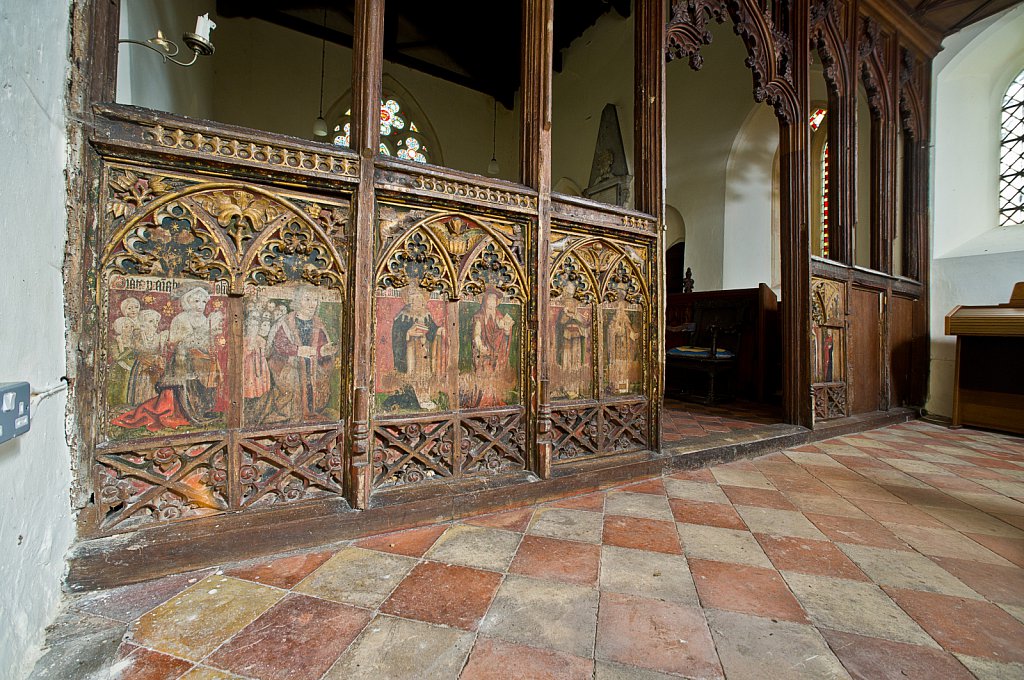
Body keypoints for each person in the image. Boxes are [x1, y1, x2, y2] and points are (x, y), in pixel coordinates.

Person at [112, 284, 225, 431]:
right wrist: (206, 329)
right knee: (183, 389)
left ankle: (198, 412)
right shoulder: (182, 318)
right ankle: (185, 413)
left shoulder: (203, 319)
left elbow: (203, 342)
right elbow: (180, 342)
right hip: (181, 361)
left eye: (203, 302)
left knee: (201, 386)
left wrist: (211, 334)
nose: (200, 305)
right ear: (188, 302)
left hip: (198, 361)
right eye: (196, 301)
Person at [267, 286, 337, 421]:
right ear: (299, 301)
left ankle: (311, 412)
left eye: (315, 300)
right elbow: (278, 346)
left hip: (312, 368)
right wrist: (298, 351)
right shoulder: (286, 322)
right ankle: (292, 415)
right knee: (293, 382)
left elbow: (321, 347)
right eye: (308, 299)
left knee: (317, 382)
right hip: (291, 368)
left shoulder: (318, 323)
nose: (312, 303)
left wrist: (324, 351)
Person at [391, 284, 445, 410]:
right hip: (410, 350)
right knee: (413, 374)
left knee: (424, 374)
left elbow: (432, 328)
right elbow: (397, 334)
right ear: (409, 300)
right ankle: (414, 398)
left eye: (420, 299)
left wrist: (438, 330)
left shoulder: (426, 314)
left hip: (424, 349)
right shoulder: (403, 315)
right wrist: (408, 333)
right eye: (414, 299)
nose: (417, 301)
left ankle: (425, 397)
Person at [468, 286, 515, 407]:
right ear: (485, 300)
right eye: (490, 299)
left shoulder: (499, 316)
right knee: (485, 373)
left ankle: (494, 400)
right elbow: (476, 334)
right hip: (483, 352)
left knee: (495, 374)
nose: (492, 302)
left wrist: (507, 330)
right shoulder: (479, 316)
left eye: (494, 300)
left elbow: (504, 333)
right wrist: (480, 346)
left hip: (496, 351)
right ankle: (483, 402)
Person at [554, 283, 589, 399]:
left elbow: (582, 320)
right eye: (569, 287)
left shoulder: (576, 302)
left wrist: (575, 316)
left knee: (576, 359)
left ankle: (575, 388)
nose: (571, 290)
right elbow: (561, 321)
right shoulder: (562, 301)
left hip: (577, 335)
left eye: (573, 288)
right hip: (567, 336)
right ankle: (566, 387)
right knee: (566, 359)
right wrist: (567, 315)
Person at [606, 301, 638, 394]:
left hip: (625, 350)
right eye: (619, 309)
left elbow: (632, 334)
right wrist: (616, 330)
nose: (621, 311)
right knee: (616, 366)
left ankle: (624, 387)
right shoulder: (613, 322)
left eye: (623, 309)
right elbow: (610, 332)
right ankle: (615, 387)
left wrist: (633, 334)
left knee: (624, 367)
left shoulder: (627, 323)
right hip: (616, 350)